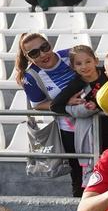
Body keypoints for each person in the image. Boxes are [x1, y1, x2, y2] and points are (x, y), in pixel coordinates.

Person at [14, 32, 82, 194]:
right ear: (28, 57)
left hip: (98, 122)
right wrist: (65, 102)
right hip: (69, 129)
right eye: (34, 53)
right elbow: (38, 105)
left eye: (44, 47)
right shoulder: (30, 76)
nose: (43, 54)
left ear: (50, 44)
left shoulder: (70, 56)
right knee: (79, 175)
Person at [50, 44, 108, 179]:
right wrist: (70, 102)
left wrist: (97, 104)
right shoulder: (76, 84)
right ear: (73, 67)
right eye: (79, 64)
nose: (84, 66)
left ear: (96, 61)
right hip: (95, 134)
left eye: (88, 61)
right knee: (101, 167)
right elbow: (55, 105)